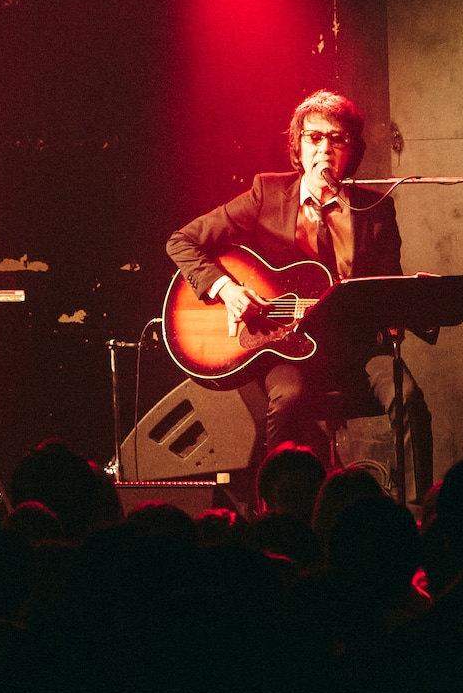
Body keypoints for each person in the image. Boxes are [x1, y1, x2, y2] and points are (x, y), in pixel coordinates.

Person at [166, 89, 433, 501]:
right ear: (298, 145)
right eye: (314, 137)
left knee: (409, 397)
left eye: (337, 139)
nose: (325, 148)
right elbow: (182, 241)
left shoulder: (376, 210)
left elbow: (387, 287)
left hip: (358, 346)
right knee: (288, 399)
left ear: (353, 151)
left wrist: (418, 302)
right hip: (285, 345)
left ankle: (419, 510)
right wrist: (227, 288)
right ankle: (278, 508)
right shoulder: (267, 194)